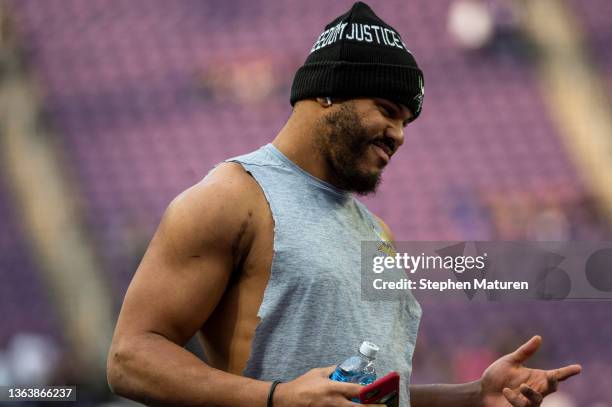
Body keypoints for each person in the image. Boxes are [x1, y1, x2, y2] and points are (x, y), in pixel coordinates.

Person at [107, 2, 581, 406]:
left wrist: (473, 395)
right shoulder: (234, 197)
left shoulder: (376, 232)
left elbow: (370, 394)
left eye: (408, 123)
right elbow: (130, 358)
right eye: (389, 110)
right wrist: (278, 397)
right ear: (328, 92)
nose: (399, 135)